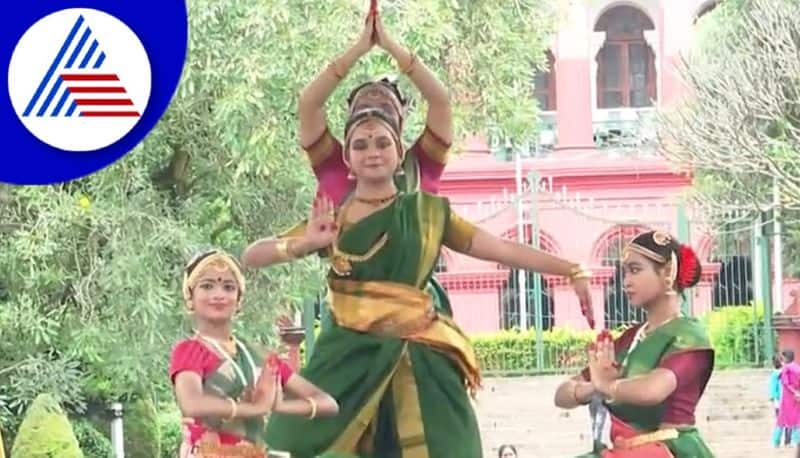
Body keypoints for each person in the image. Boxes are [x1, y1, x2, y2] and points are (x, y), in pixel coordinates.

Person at [242, 107, 594, 457]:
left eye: (382, 143)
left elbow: (499, 248)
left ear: (399, 157)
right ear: (347, 161)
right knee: (308, 441)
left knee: (445, 445)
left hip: (422, 352)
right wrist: (306, 244)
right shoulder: (333, 218)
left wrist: (570, 269)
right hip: (347, 357)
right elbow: (251, 257)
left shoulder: (427, 214)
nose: (372, 152)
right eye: (361, 145)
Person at [553, 230, 715, 457]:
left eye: (635, 270)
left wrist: (606, 386)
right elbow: (561, 396)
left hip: (667, 449)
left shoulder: (689, 336)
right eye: (625, 272)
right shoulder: (631, 338)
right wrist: (593, 386)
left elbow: (652, 390)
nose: (626, 281)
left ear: (667, 273)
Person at [169, 249, 339, 457]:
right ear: (190, 297)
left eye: (229, 287)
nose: (219, 295)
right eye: (207, 286)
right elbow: (192, 403)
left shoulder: (258, 356)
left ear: (238, 299)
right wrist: (254, 408)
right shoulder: (190, 351)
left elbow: (328, 403)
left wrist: (280, 405)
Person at [298, 4, 452, 205]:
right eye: (363, 107)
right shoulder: (335, 168)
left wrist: (391, 46)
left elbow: (440, 102)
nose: (373, 112)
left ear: (399, 143)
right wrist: (359, 48)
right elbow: (309, 104)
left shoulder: (421, 168)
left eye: (386, 108)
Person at [770, 353, 791, 447]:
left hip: (779, 403)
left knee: (781, 423)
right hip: (785, 402)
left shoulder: (775, 375)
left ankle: (777, 442)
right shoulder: (782, 374)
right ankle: (786, 441)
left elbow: (772, 390)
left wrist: (773, 398)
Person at [780, 349, 800, 446]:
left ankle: (789, 441)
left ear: (785, 358)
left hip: (788, 396)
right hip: (797, 396)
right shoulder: (797, 367)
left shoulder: (786, 368)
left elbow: (785, 383)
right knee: (797, 418)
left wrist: (794, 392)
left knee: (788, 419)